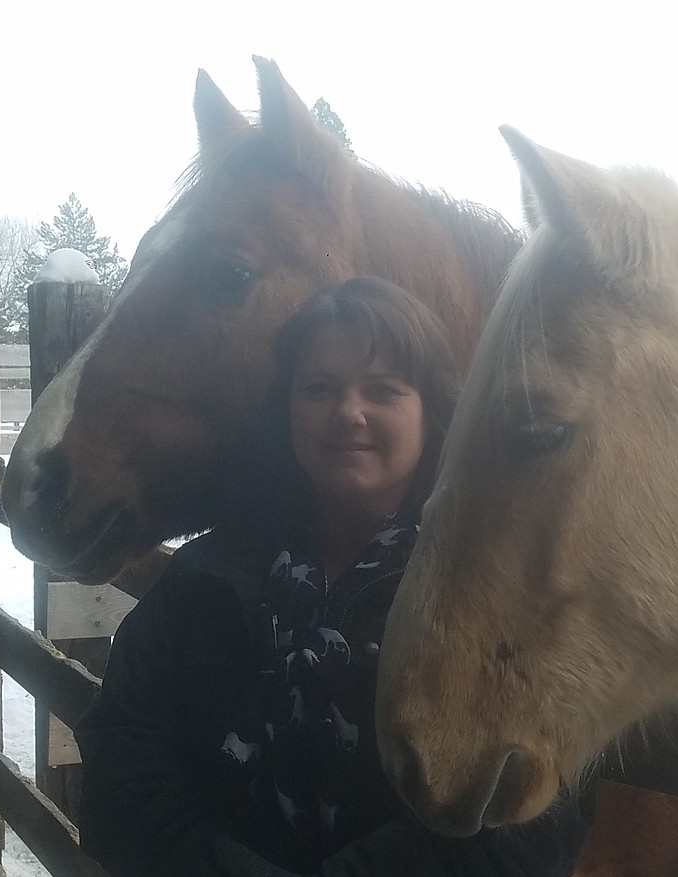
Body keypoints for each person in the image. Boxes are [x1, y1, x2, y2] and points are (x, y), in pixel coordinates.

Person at [75, 276, 593, 877]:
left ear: (432, 412)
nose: (349, 413)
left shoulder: (498, 596)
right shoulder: (206, 579)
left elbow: (532, 816)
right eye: (319, 389)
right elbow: (125, 760)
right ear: (286, 410)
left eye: (383, 390)